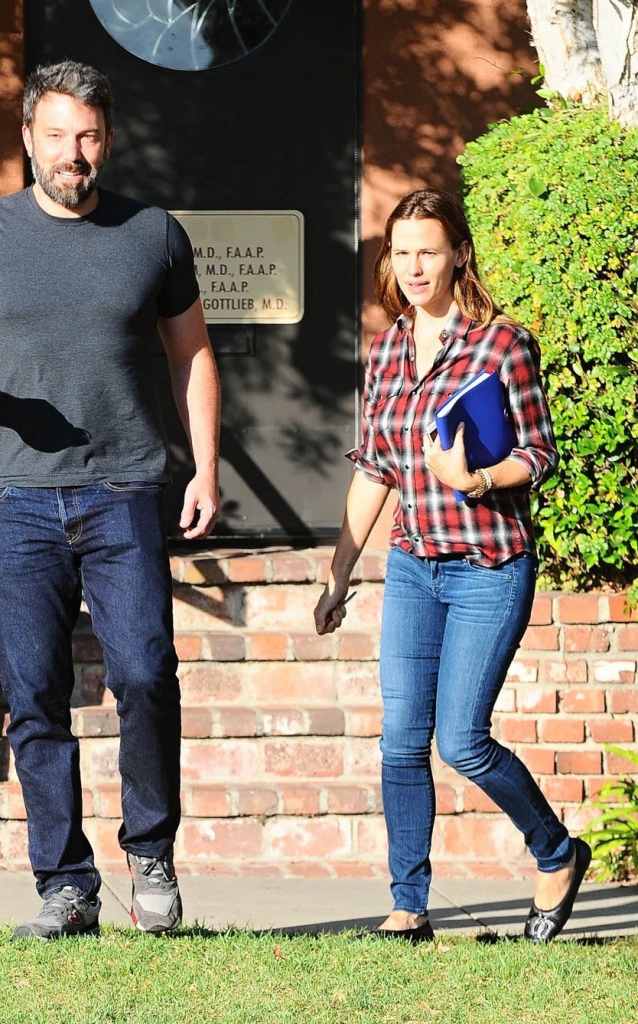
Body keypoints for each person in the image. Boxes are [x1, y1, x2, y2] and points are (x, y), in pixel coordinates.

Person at [0, 61, 221, 941]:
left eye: (87, 136)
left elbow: (192, 353)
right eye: (56, 135)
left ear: (107, 140)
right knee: (35, 696)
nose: (72, 153)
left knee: (146, 674)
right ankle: (66, 887)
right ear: (28, 139)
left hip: (124, 489)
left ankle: (150, 856)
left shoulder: (152, 233)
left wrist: (205, 466)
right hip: (15, 497)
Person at [313, 188, 590, 944]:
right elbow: (374, 467)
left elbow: (538, 454)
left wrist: (472, 479)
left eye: (427, 250)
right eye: (400, 252)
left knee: (461, 740)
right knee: (400, 738)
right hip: (411, 564)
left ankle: (557, 853)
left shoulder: (501, 345)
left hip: (487, 568)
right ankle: (407, 906)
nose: (413, 266)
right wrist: (339, 572)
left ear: (458, 253)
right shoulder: (383, 349)